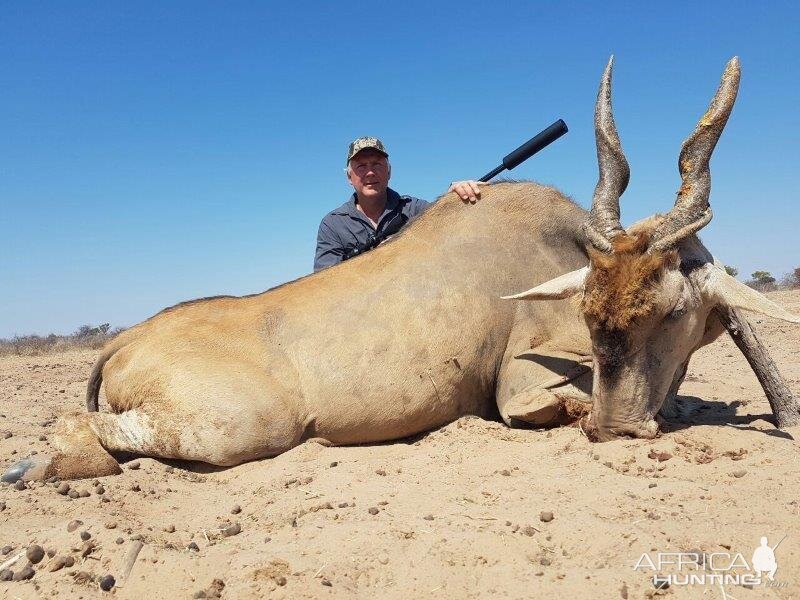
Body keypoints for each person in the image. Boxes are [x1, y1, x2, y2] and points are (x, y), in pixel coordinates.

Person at [313, 137, 485, 271]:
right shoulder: (333, 225)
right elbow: (324, 286)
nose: (370, 172)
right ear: (349, 177)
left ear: (389, 171)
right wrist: (376, 259)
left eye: (377, 164)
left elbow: (450, 225)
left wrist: (455, 196)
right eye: (361, 166)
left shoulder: (415, 210)